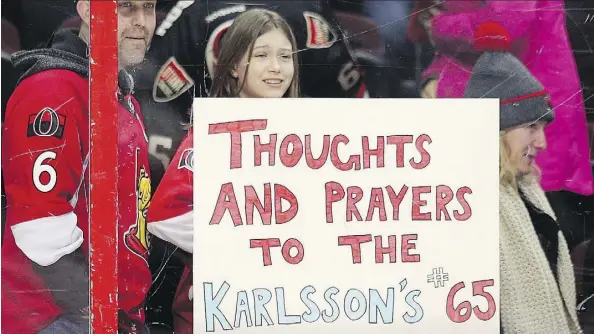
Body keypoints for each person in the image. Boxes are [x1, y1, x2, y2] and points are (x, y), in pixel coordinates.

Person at [1, 1, 157, 333]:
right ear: (87, 9)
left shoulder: (117, 92)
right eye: (127, 7)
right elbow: (40, 230)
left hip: (102, 313)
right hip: (60, 320)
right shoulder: (53, 89)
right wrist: (101, 312)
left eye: (150, 7)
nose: (142, 22)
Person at [146, 8, 300, 333]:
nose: (276, 67)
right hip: (215, 312)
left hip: (292, 311)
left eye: (285, 56)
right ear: (230, 66)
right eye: (261, 55)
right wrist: (240, 242)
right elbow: (164, 216)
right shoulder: (211, 134)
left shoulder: (312, 137)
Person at [465, 22, 583, 334]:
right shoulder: (468, 206)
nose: (542, 143)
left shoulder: (527, 191)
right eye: (532, 126)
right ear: (498, 129)